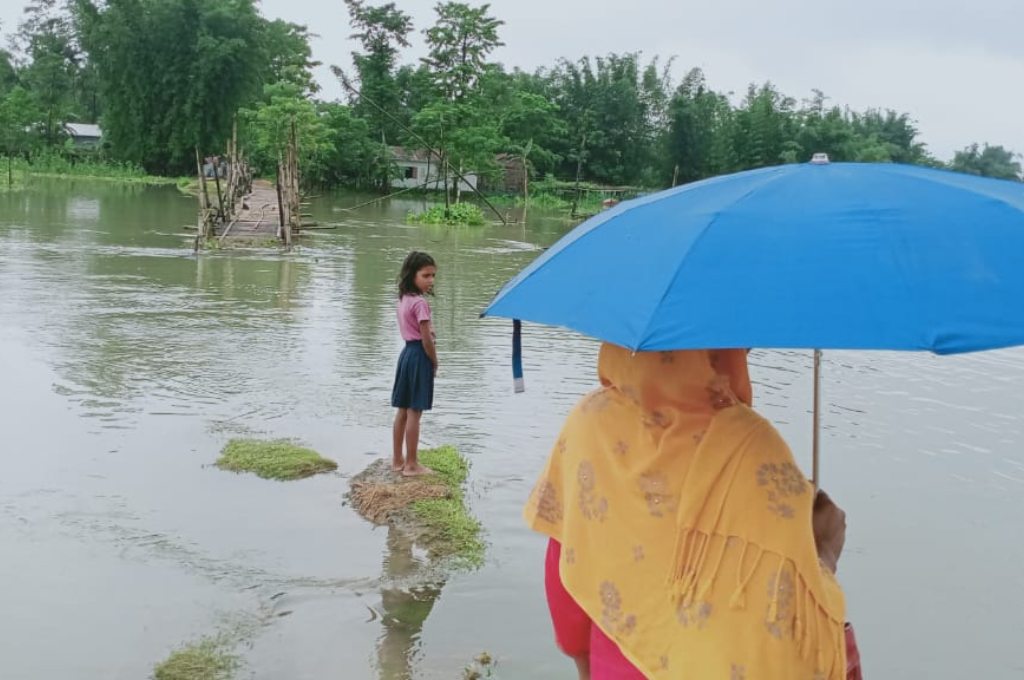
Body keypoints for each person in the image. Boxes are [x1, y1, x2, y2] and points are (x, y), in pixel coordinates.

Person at [525, 344, 859, 679]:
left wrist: (587, 666)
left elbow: (566, 569)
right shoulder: (754, 450)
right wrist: (823, 555)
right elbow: (794, 632)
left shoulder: (589, 424)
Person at [391, 251, 438, 477]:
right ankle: (411, 464)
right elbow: (426, 339)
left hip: (406, 354)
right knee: (414, 412)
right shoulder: (420, 303)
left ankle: (397, 459)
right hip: (419, 355)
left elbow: (413, 329)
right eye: (426, 275)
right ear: (413, 275)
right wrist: (434, 361)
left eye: (433, 276)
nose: (430, 280)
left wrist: (428, 332)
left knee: (402, 410)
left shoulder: (403, 299)